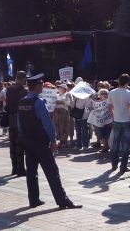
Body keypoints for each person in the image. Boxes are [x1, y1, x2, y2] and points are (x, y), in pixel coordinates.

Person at [17, 73, 82, 210]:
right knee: (52, 171)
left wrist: (24, 138)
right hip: (40, 142)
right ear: (36, 86)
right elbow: (47, 124)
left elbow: (19, 124)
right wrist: (53, 141)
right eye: (40, 84)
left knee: (31, 172)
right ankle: (63, 201)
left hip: (28, 141)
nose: (42, 86)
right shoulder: (39, 102)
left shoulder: (22, 101)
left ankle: (33, 199)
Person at [108, 73, 130, 173]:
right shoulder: (129, 93)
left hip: (116, 120)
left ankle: (114, 164)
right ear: (127, 82)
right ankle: (123, 166)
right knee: (126, 145)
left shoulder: (112, 92)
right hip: (127, 120)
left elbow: (109, 107)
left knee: (115, 143)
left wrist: (113, 116)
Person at [5, 71, 27, 177]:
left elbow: (7, 104)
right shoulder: (24, 90)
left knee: (12, 144)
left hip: (11, 118)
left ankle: (14, 168)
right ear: (22, 79)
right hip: (20, 119)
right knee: (20, 144)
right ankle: (21, 169)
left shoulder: (9, 89)